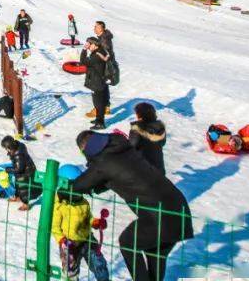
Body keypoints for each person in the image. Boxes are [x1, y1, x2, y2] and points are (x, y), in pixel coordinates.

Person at [72, 131, 193, 281]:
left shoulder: (102, 163)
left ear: (84, 150)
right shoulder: (120, 145)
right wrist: (99, 184)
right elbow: (121, 173)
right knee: (154, 252)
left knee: (128, 242)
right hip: (178, 207)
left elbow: (78, 186)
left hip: (160, 216)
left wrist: (64, 190)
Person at [51, 165, 108, 281]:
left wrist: (95, 222)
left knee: (98, 263)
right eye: (77, 190)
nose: (80, 193)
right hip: (69, 243)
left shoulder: (83, 202)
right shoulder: (59, 205)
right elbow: (54, 227)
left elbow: (88, 217)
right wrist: (62, 240)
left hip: (87, 239)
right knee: (70, 270)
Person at [1, 135, 39, 211]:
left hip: (26, 173)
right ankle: (17, 197)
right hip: (22, 171)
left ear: (10, 147)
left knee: (23, 188)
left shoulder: (19, 155)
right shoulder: (17, 148)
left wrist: (8, 170)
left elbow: (19, 169)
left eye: (7, 149)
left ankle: (26, 204)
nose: (6, 150)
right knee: (17, 185)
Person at [129, 102, 167, 174]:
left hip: (143, 169)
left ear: (140, 115)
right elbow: (162, 142)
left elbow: (131, 147)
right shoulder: (160, 127)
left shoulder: (137, 129)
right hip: (159, 168)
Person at [81, 37, 111, 130]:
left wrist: (84, 50)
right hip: (101, 81)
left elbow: (83, 61)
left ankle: (100, 123)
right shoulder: (100, 51)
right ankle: (98, 119)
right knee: (100, 103)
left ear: (94, 45)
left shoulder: (96, 56)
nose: (88, 46)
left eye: (89, 44)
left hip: (97, 83)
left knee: (98, 103)